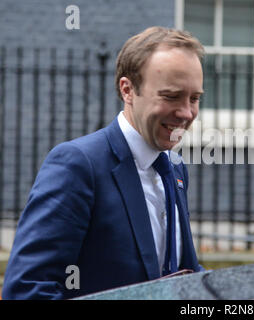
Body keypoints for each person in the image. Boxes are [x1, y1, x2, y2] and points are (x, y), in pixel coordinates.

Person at [2, 26, 205, 299]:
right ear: (128, 90)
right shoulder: (77, 165)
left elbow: (183, 272)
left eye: (194, 99)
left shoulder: (174, 167)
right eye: (170, 96)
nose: (186, 113)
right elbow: (26, 290)